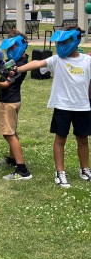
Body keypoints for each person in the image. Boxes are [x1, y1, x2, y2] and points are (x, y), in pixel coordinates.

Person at [15, 27, 91, 188]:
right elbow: (37, 63)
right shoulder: (57, 60)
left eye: (65, 42)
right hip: (62, 106)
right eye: (60, 42)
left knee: (83, 139)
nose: (62, 45)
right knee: (60, 139)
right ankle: (60, 172)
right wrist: (18, 68)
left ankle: (85, 169)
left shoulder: (87, 61)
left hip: (83, 107)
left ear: (75, 41)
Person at [0, 31, 32, 180]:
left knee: (8, 133)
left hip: (9, 101)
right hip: (11, 100)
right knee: (12, 131)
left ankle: (22, 170)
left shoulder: (20, 65)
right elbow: (2, 67)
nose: (10, 51)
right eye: (8, 48)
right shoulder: (18, 61)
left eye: (13, 47)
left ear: (21, 45)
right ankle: (12, 159)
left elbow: (6, 84)